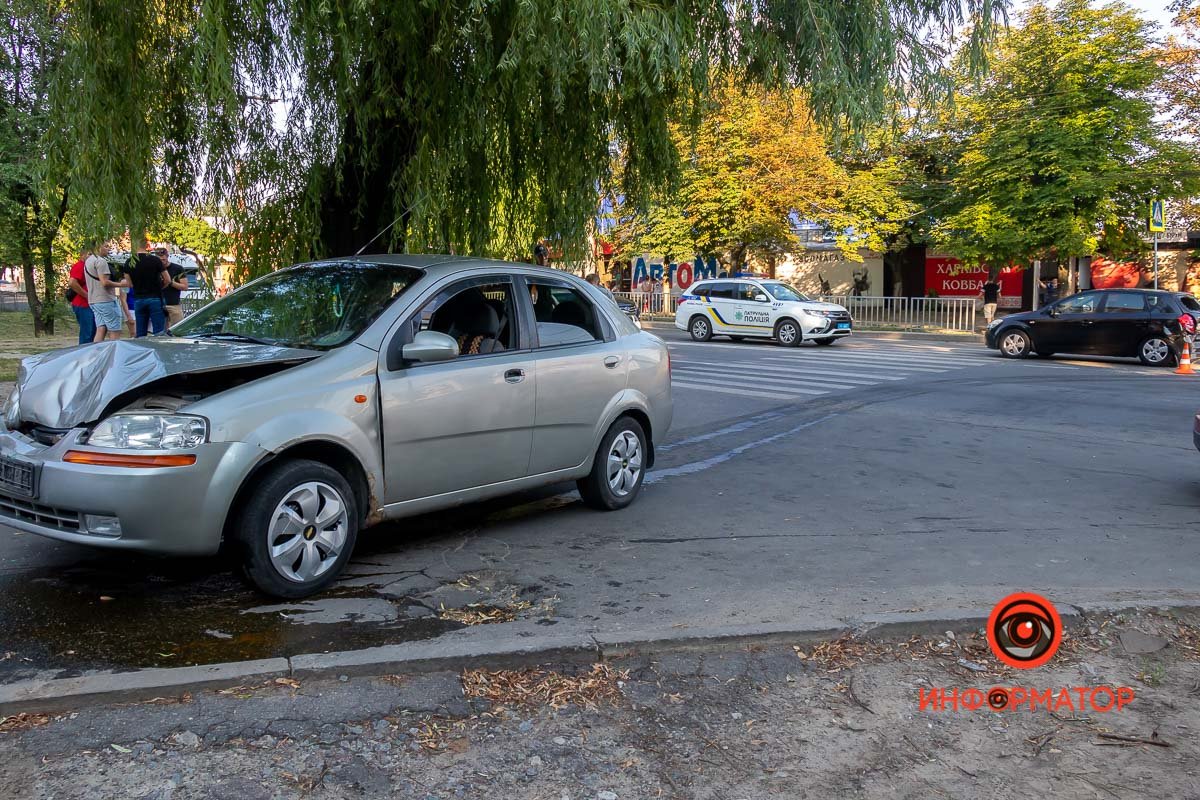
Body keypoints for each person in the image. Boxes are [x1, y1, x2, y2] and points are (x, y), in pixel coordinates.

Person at [84, 242, 130, 341]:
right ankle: (112, 354)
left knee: (101, 328)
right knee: (115, 330)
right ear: (97, 247)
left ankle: (97, 353)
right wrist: (121, 284)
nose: (108, 249)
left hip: (94, 300)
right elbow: (104, 282)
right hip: (106, 300)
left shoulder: (88, 261)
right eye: (106, 246)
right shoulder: (101, 261)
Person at [129, 245, 170, 336]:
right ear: (147, 247)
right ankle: (158, 347)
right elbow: (167, 279)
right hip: (155, 297)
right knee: (159, 330)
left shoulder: (129, 262)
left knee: (140, 330)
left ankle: (142, 347)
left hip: (139, 299)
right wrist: (160, 287)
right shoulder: (155, 260)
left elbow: (130, 283)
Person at [67, 252, 95, 345]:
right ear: (82, 254)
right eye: (89, 254)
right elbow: (72, 283)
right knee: (87, 333)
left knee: (92, 332)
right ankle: (84, 355)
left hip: (88, 304)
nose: (91, 256)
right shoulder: (80, 266)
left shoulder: (88, 266)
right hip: (83, 304)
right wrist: (87, 296)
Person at [161, 252, 188, 329]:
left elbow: (185, 287)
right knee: (160, 332)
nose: (162, 261)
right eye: (160, 259)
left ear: (167, 257)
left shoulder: (177, 268)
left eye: (163, 259)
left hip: (173, 304)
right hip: (159, 304)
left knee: (178, 329)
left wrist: (171, 282)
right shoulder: (155, 268)